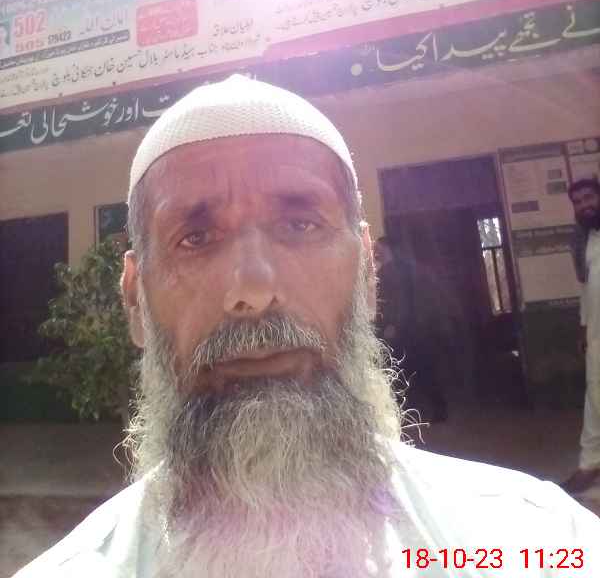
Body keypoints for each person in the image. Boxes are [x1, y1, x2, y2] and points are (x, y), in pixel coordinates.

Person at [16, 76, 600, 577]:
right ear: (134, 301)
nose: (252, 290)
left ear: (367, 275)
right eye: (195, 238)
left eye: (300, 225)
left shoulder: (536, 542)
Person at [374, 236, 448, 422]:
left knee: (399, 370)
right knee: (420, 368)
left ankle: (401, 414)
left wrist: (393, 325)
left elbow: (398, 302)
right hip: (415, 327)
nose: (375, 251)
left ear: (387, 249)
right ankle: (437, 409)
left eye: (378, 248)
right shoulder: (401, 269)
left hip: (401, 329)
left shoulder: (390, 272)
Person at [562, 177, 600, 495]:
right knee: (594, 396)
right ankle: (590, 464)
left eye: (589, 198)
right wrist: (584, 329)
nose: (584, 205)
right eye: (578, 202)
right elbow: (586, 289)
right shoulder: (583, 240)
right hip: (597, 334)